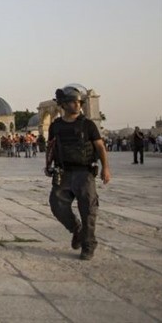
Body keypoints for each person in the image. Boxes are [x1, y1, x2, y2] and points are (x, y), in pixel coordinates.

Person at [46, 86, 111, 260]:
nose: (77, 105)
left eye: (79, 102)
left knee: (88, 210)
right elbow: (51, 146)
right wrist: (48, 164)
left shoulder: (87, 124)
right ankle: (77, 230)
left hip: (84, 173)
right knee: (57, 205)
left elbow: (100, 147)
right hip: (63, 172)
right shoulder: (56, 126)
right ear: (64, 104)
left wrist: (105, 168)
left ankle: (88, 245)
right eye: (73, 102)